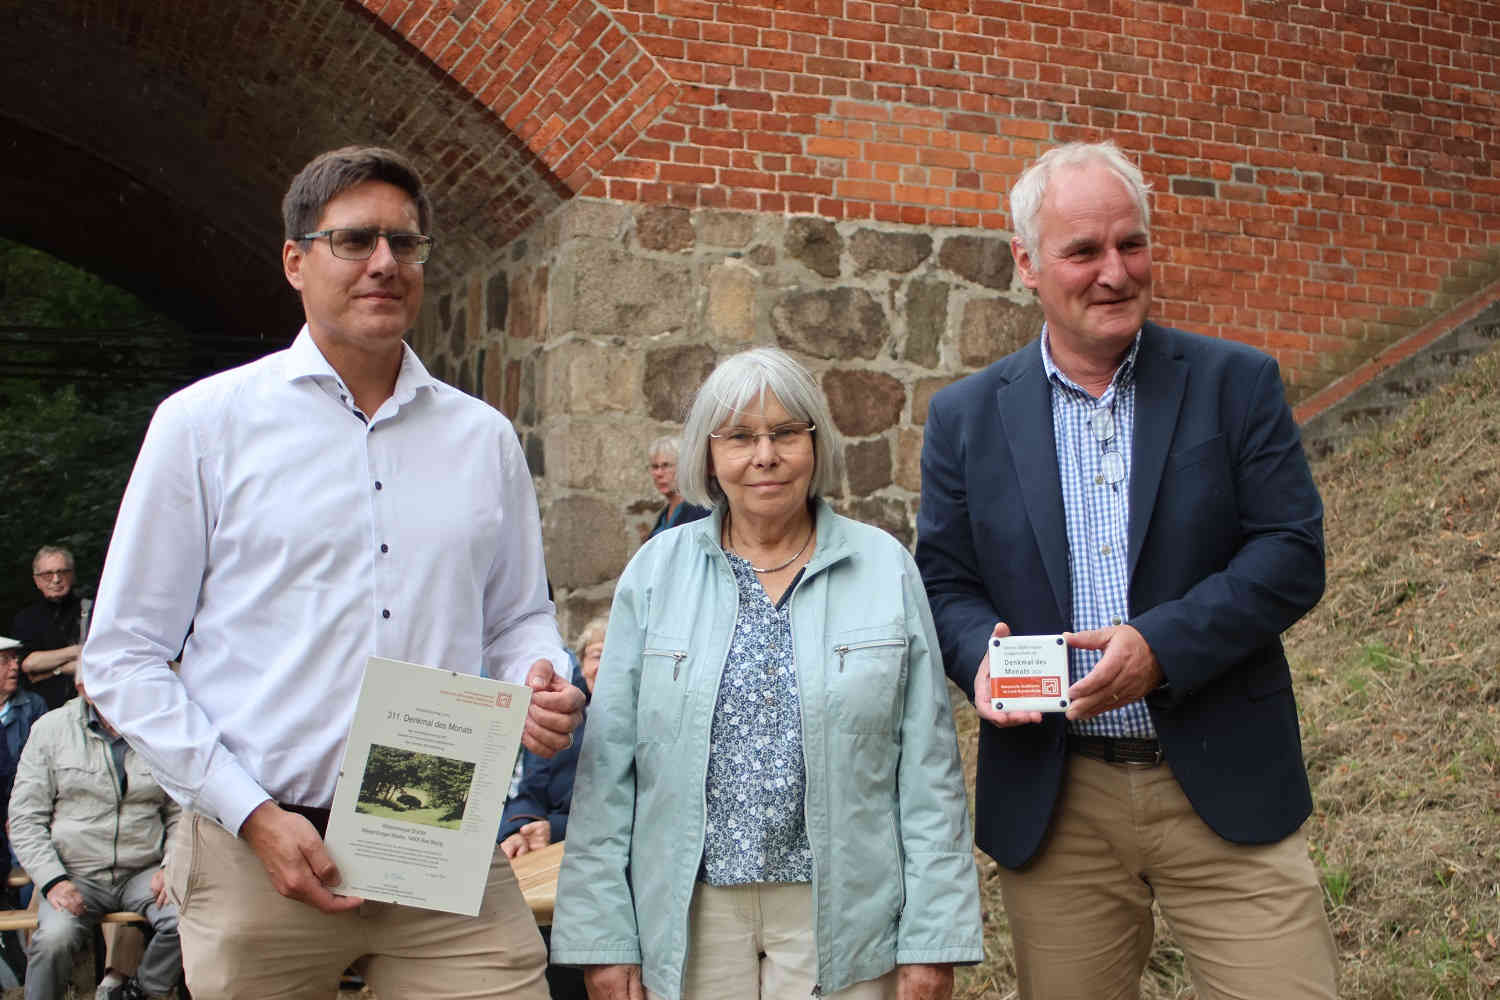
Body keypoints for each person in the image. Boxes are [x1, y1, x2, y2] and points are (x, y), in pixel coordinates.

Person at [80, 145, 585, 1000]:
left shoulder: (483, 438)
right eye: (354, 241)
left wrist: (539, 677)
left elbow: (515, 618)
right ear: (295, 260)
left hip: (431, 809)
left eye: (404, 243)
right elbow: (122, 656)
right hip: (257, 833)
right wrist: (250, 813)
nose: (384, 263)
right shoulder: (204, 425)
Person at [915, 141, 1337, 999]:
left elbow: (1291, 553)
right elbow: (945, 580)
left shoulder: (1237, 384)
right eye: (1083, 252)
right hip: (1057, 801)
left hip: (1222, 782)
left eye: (1131, 243)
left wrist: (1159, 646)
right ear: (1026, 265)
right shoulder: (964, 418)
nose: (1115, 272)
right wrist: (979, 657)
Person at [551, 347, 982, 1000]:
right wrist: (602, 937)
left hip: (845, 915)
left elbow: (928, 771)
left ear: (815, 443)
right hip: (691, 914)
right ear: (708, 455)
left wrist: (934, 938)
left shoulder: (884, 568)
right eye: (741, 437)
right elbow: (607, 774)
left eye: (786, 433)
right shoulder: (656, 574)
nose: (765, 456)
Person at [9, 680, 182, 1000]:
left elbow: (180, 812)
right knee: (53, 940)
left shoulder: (159, 727)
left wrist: (171, 864)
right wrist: (53, 880)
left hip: (143, 870)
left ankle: (142, 991)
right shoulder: (51, 729)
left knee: (190, 919)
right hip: (74, 872)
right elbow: (25, 819)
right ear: (81, 683)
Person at [498, 615, 604, 859]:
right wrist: (518, 829)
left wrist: (555, 829)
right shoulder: (559, 717)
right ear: (582, 663)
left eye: (616, 657)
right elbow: (531, 788)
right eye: (597, 656)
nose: (605, 665)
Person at [10, 546, 85, 711]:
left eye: (62, 572)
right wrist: (77, 651)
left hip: (87, 707)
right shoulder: (26, 619)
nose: (56, 579)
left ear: (72, 575)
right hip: (41, 712)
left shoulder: (92, 612)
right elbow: (29, 664)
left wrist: (51, 668)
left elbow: (98, 659)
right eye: (47, 574)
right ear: (37, 580)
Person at [644, 436, 709, 540]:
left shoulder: (700, 511)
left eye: (666, 465)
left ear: (683, 467)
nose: (659, 473)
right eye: (655, 467)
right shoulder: (664, 515)